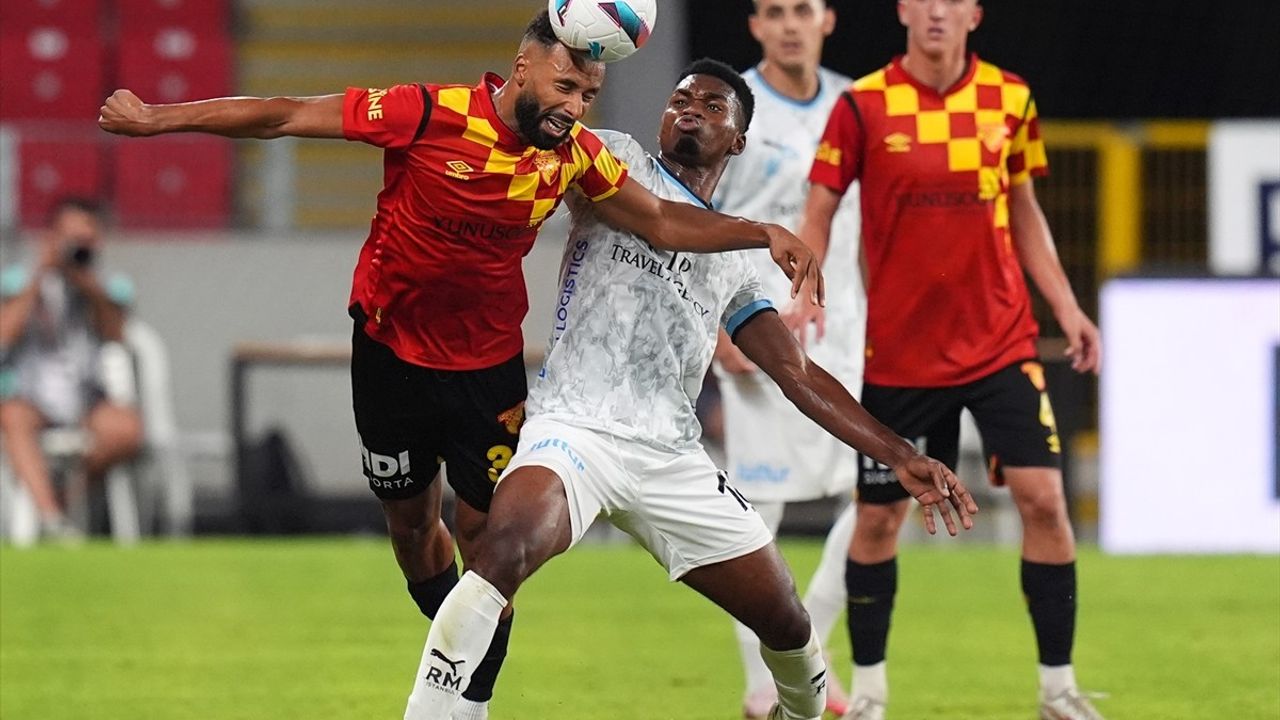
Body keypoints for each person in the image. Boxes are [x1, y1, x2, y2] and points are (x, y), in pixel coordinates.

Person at [98, 11, 822, 720]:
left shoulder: (574, 155)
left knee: (490, 548)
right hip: (389, 356)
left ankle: (464, 702)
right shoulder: (426, 114)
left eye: (588, 97)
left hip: (487, 373)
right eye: (566, 87)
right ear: (523, 66)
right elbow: (284, 114)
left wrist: (759, 233)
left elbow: (662, 220)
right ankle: (456, 655)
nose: (575, 109)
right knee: (414, 536)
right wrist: (156, 118)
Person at [402, 59, 978, 720]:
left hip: (670, 457)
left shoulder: (734, 258)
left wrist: (901, 454)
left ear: (737, 139)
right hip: (574, 428)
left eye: (711, 103)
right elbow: (589, 165)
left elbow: (796, 374)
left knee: (789, 624)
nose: (691, 108)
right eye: (681, 98)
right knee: (504, 549)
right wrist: (540, 72)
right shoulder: (612, 163)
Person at [797, 1, 1104, 718]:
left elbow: (1024, 210)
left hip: (1001, 344)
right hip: (901, 356)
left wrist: (1066, 307)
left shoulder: (1011, 97)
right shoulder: (863, 105)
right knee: (877, 522)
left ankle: (1058, 688)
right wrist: (805, 287)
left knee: (1047, 502)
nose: (936, 11)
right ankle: (869, 693)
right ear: (904, 9)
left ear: (974, 12)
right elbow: (821, 203)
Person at [708, 2, 865, 716]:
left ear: (827, 19)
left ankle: (812, 656)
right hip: (759, 327)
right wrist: (716, 331)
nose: (791, 24)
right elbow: (696, 218)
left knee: (874, 497)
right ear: (756, 26)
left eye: (803, 9)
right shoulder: (729, 107)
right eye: (775, 11)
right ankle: (762, 682)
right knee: (753, 511)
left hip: (846, 331)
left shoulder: (857, 105)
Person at [0, 197, 143, 542]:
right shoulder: (19, 281)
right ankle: (49, 518)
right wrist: (40, 275)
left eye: (85, 239)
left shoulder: (110, 286)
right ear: (52, 237)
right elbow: (5, 334)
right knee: (11, 416)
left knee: (125, 430)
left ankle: (65, 502)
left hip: (88, 395)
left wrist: (89, 286)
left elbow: (116, 335)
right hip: (33, 395)